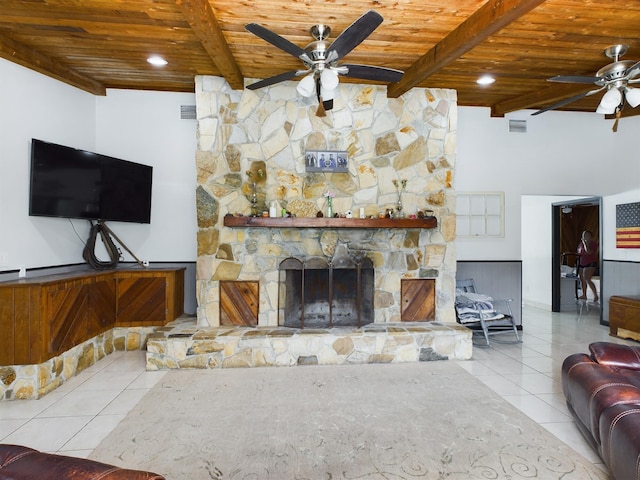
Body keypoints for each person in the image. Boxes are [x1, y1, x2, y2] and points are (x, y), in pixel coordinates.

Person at [577, 230, 599, 302]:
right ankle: (584, 294)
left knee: (587, 278)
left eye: (586, 235)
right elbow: (580, 252)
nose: (585, 237)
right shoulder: (580, 244)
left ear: (590, 237)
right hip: (582, 263)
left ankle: (595, 295)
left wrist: (585, 243)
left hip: (590, 263)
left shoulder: (593, 244)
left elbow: (588, 252)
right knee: (582, 279)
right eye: (583, 235)